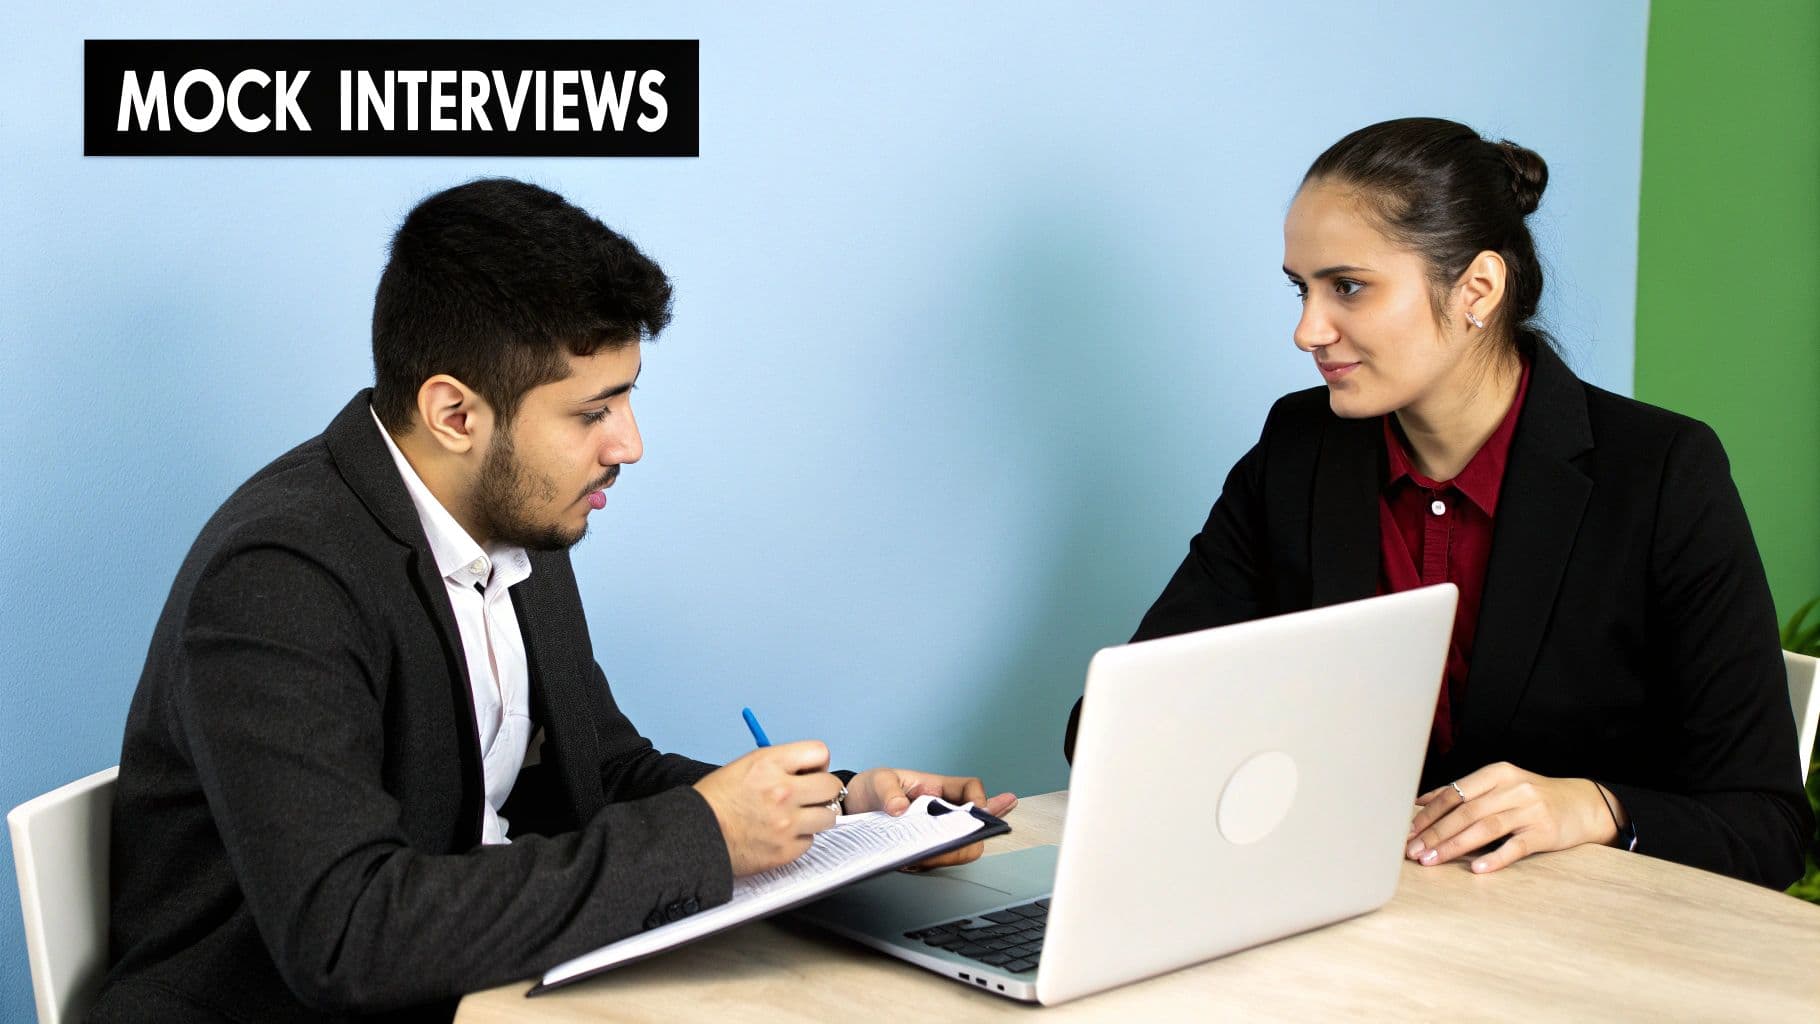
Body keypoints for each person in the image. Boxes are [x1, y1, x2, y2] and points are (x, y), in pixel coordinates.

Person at [93, 178, 1017, 1023]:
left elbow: (600, 776)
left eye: (627, 399)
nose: (629, 444)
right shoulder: (280, 576)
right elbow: (347, 935)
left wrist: (838, 813)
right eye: (591, 411)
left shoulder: (517, 517)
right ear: (456, 414)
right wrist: (704, 837)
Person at [1064, 117, 1811, 889]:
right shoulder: (1298, 450)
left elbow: (1766, 827)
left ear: (1477, 289)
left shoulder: (1660, 473)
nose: (1307, 330)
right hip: (1356, 914)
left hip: (1580, 936)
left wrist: (1592, 807)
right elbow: (1114, 725)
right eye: (1301, 288)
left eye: (1347, 287)